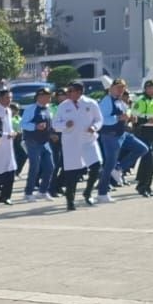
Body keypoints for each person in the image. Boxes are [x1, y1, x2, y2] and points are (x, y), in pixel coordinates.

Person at [53, 81, 102, 211]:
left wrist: (94, 127)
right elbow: (55, 124)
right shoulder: (63, 106)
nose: (68, 94)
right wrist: (64, 125)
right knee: (71, 173)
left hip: (88, 140)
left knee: (96, 166)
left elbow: (99, 119)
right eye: (67, 91)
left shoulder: (91, 103)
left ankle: (88, 192)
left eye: (71, 91)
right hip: (71, 143)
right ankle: (70, 200)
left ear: (79, 92)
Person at [20, 87, 55, 202]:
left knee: (50, 167)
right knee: (34, 167)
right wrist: (35, 126)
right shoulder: (31, 109)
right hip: (33, 142)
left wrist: (52, 134)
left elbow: (50, 124)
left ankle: (43, 191)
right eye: (46, 96)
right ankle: (28, 192)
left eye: (49, 96)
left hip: (45, 142)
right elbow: (23, 124)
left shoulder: (48, 109)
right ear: (39, 97)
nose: (49, 98)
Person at [132, 79, 153, 197]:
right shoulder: (141, 101)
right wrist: (146, 120)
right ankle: (143, 186)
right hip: (144, 132)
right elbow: (134, 118)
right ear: (147, 88)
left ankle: (147, 185)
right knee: (148, 160)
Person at [0, 88, 18, 205]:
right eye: (6, 98)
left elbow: (8, 126)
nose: (9, 100)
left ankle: (5, 196)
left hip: (8, 146)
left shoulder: (9, 111)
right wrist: (6, 135)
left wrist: (13, 133)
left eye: (10, 98)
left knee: (10, 171)